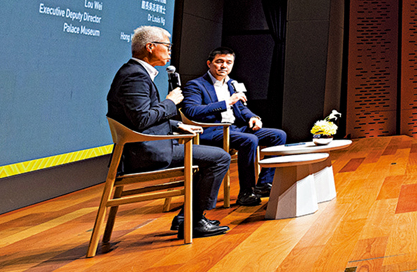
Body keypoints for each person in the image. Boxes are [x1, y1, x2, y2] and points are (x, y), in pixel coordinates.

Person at [107, 26, 231, 237]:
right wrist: (170, 102)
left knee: (210, 158)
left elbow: (138, 117)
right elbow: (141, 119)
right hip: (145, 153)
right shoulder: (135, 77)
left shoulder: (135, 73)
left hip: (147, 147)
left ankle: (187, 218)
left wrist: (176, 125)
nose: (170, 51)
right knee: (220, 158)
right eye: (167, 46)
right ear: (150, 47)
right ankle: (194, 221)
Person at [181, 46, 287, 206]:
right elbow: (191, 111)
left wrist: (253, 117)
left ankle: (264, 184)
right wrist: (226, 103)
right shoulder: (196, 85)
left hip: (235, 129)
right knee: (249, 140)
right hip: (211, 130)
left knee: (278, 135)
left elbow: (242, 108)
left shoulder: (232, 84)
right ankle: (246, 192)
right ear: (209, 63)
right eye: (219, 61)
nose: (224, 66)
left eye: (228, 62)